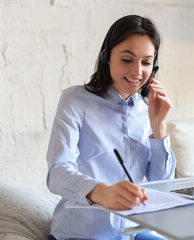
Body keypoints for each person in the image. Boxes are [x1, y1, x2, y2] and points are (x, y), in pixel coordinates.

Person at [46, 15, 176, 240]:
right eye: (127, 59)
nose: (137, 72)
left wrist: (159, 127)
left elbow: (162, 185)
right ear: (107, 57)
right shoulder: (75, 100)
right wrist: (100, 192)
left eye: (146, 62)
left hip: (131, 231)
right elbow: (56, 173)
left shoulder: (148, 110)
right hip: (82, 233)